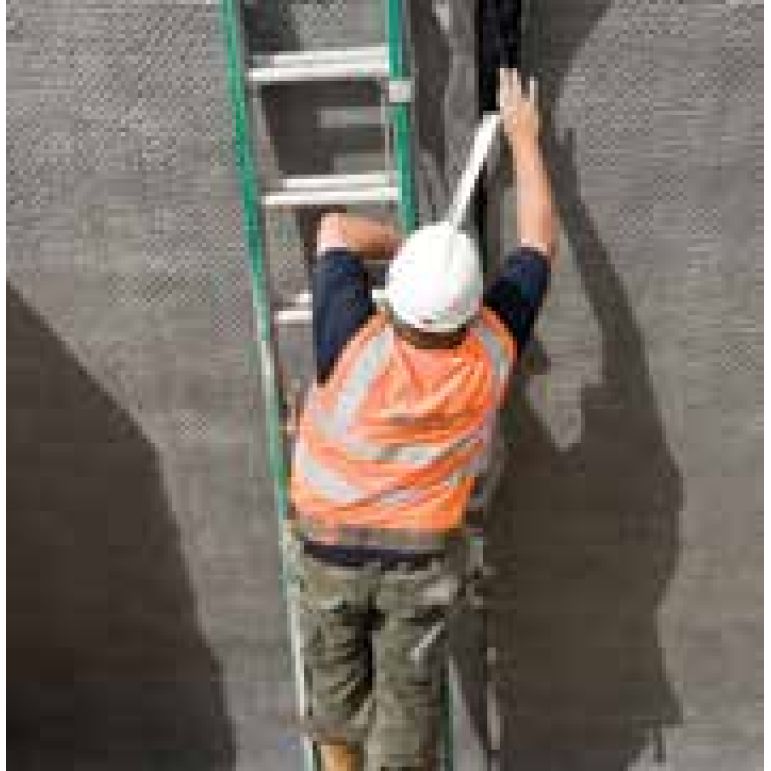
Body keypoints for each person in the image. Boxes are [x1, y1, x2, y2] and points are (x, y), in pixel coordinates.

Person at [287, 69, 556, 771]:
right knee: (407, 723)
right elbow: (537, 244)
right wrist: (525, 138)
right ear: (470, 305)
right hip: (418, 561)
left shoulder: (350, 338)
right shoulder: (491, 352)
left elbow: (334, 228)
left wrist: (402, 242)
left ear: (396, 299)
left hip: (328, 549)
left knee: (334, 707)